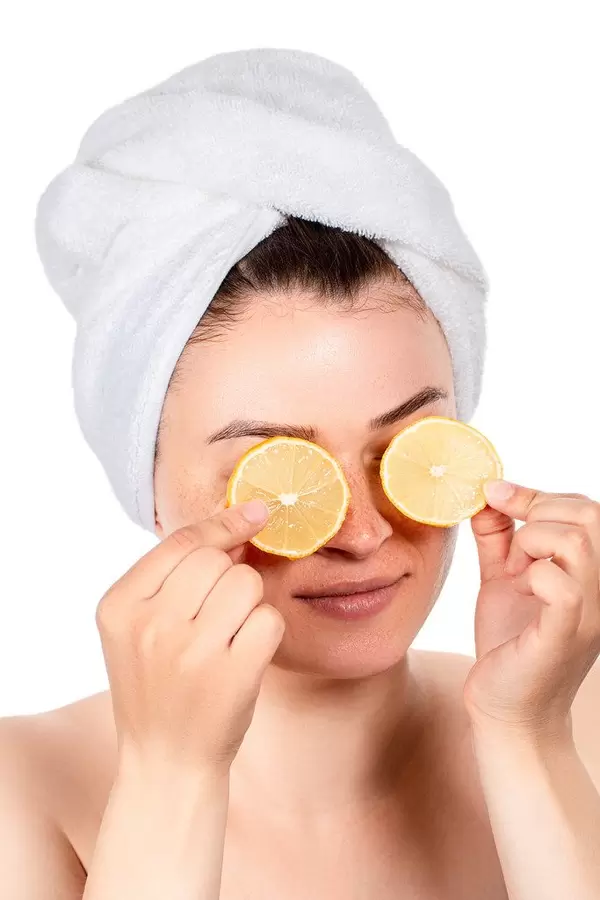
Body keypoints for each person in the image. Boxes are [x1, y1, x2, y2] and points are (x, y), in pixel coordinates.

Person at [2, 51, 600, 900]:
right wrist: (171, 777)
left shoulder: (576, 720)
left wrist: (525, 737)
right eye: (278, 470)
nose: (362, 534)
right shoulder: (24, 794)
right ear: (149, 482)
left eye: (403, 448)